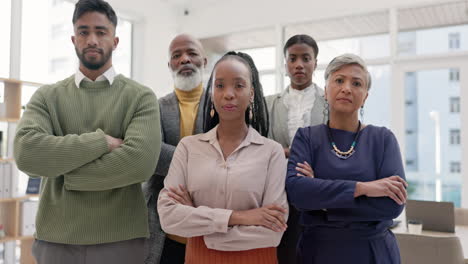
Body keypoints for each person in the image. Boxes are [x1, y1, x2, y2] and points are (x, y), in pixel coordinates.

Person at [13, 1, 161, 263]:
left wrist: (65, 175)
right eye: (83, 32)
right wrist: (100, 142)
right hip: (57, 241)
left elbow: (140, 163)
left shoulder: (140, 97)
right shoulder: (47, 97)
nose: (92, 39)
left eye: (101, 32)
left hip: (122, 241)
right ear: (73, 39)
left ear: (115, 40)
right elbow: (27, 154)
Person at [157, 51, 288, 264]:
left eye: (238, 85)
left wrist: (198, 221)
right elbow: (169, 218)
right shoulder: (188, 148)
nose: (228, 94)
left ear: (252, 93)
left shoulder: (271, 152)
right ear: (211, 93)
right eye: (220, 85)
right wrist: (241, 217)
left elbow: (273, 232)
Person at [286, 53, 407, 264]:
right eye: (339, 80)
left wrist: (322, 201)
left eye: (357, 83)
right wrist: (364, 188)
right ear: (325, 91)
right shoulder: (306, 137)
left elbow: (393, 205)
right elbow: (298, 193)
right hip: (318, 252)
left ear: (365, 96)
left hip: (374, 252)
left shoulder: (383, 139)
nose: (347, 88)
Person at [144, 34, 208, 264]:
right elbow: (153, 154)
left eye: (192, 53)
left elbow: (228, 155)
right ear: (169, 65)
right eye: (176, 55)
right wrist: (204, 161)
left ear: (204, 61)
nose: (184, 59)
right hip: (164, 227)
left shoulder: (221, 105)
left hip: (209, 221)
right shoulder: (154, 107)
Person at [265, 34, 326, 264]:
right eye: (293, 58)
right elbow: (263, 144)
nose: (299, 64)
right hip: (278, 192)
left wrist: (289, 152)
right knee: (285, 254)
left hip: (317, 192)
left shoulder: (328, 101)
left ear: (315, 63)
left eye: (306, 58)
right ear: (285, 65)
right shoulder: (268, 103)